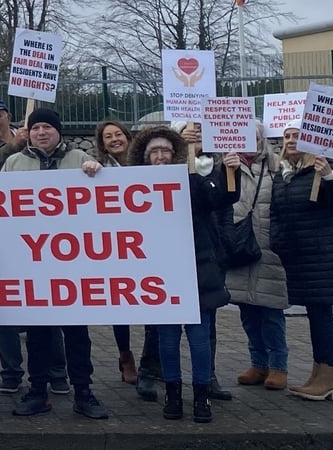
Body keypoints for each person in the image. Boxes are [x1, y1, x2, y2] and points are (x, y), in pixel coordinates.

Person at [127, 126, 240, 423]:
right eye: (154, 151)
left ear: (175, 153)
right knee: (167, 338)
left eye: (165, 150)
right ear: (145, 157)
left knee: (199, 337)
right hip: (160, 272)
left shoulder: (192, 180)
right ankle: (173, 394)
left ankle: (201, 397)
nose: (161, 156)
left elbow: (220, 198)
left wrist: (229, 170)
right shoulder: (131, 185)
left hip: (197, 269)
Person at [4, 108, 108, 419]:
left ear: (59, 131)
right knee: (37, 334)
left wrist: (96, 170)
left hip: (73, 266)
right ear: (29, 133)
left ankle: (83, 392)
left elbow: (105, 198)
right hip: (32, 264)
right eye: (36, 128)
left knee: (77, 333)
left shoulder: (79, 160)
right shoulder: (14, 163)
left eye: (48, 127)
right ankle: (38, 391)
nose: (42, 133)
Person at [0, 98, 68, 395]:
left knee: (52, 308)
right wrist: (12, 148)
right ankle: (11, 372)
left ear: (8, 116)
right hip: (5, 241)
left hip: (48, 242)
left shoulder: (42, 147)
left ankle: (57, 371)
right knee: (6, 310)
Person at [270, 119, 333, 401]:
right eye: (287, 136)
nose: (291, 140)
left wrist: (330, 176)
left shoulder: (320, 171)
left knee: (321, 315)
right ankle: (318, 375)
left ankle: (329, 377)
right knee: (315, 316)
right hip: (298, 258)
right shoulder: (284, 175)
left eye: (297, 135)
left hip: (322, 258)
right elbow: (278, 215)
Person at [228, 120, 290, 390]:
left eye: (253, 136)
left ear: (261, 138)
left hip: (269, 247)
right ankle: (258, 363)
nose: (248, 140)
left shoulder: (277, 165)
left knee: (272, 312)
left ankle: (279, 367)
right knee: (247, 310)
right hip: (239, 247)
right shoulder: (228, 166)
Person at [177, 122, 234, 402]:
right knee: (165, 326)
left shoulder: (215, 167)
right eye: (190, 130)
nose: (196, 134)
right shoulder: (170, 162)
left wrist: (229, 170)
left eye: (201, 129)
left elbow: (223, 199)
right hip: (175, 252)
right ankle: (158, 376)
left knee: (206, 321)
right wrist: (182, 149)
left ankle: (207, 378)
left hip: (208, 252)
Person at [92, 120, 141, 387]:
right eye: (108, 136)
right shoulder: (99, 170)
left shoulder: (146, 165)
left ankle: (151, 361)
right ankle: (125, 356)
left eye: (118, 134)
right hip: (115, 248)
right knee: (119, 305)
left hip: (145, 245)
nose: (114, 139)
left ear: (127, 136)